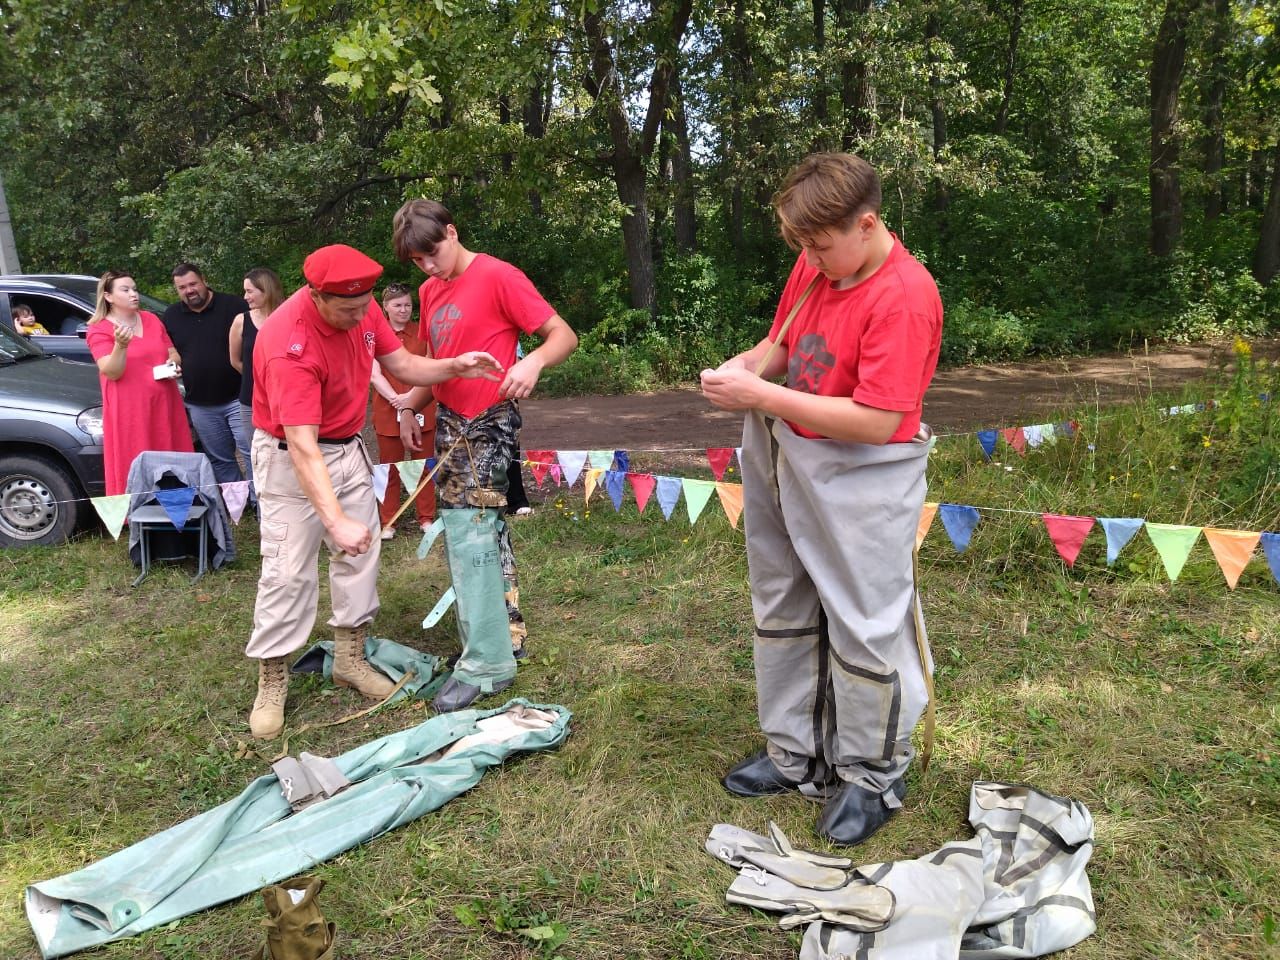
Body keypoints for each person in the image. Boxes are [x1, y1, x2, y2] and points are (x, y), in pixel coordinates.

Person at [700, 152, 943, 847]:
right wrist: (742, 371)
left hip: (864, 473)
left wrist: (763, 394)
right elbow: (780, 346)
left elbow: (880, 420)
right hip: (786, 454)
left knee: (865, 621)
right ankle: (795, 752)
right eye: (801, 245)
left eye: (820, 244)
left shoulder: (904, 295)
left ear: (867, 224)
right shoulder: (817, 261)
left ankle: (871, 774)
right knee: (782, 601)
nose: (809, 258)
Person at [245, 243, 504, 740]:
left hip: (347, 450)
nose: (363, 317)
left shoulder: (361, 311)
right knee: (286, 571)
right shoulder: (288, 343)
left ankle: (349, 658)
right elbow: (301, 446)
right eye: (349, 310)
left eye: (366, 306)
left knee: (360, 557)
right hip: (289, 457)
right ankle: (272, 679)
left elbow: (403, 363)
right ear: (316, 296)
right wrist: (335, 520)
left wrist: (454, 365)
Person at [392, 198, 577, 712]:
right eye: (418, 261)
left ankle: (486, 661)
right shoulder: (430, 291)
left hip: (490, 423)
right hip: (450, 425)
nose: (428, 267)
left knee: (471, 528)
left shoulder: (498, 275)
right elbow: (434, 364)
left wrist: (534, 362)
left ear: (452, 232)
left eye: (433, 253)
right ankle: (503, 630)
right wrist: (410, 406)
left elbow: (563, 334)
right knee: (481, 531)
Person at [85, 272, 194, 496]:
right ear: (108, 296)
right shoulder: (99, 329)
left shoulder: (152, 319)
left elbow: (173, 353)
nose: (134, 294)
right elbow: (111, 371)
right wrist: (121, 346)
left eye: (134, 288)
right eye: (125, 290)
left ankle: (180, 507)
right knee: (138, 456)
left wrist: (172, 366)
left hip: (164, 401)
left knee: (171, 452)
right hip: (130, 410)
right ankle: (143, 512)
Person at [162, 263, 251, 487]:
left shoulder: (234, 306)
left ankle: (259, 501)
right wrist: (171, 364)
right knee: (221, 460)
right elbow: (172, 352)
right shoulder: (171, 316)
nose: (189, 290)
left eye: (193, 284)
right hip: (200, 404)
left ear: (204, 280)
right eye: (182, 287)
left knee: (252, 453)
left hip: (238, 398)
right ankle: (237, 506)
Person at [369, 283, 437, 540]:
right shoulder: (374, 334)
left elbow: (431, 367)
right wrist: (398, 400)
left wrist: (412, 400)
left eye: (408, 305)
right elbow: (373, 373)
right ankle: (389, 521)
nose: (404, 310)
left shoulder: (422, 332)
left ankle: (426, 517)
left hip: (423, 408)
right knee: (390, 468)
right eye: (397, 305)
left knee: (424, 464)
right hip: (388, 411)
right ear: (385, 307)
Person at [229, 266, 284, 493]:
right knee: (258, 457)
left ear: (266, 290)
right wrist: (261, 384)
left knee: (287, 455)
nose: (245, 297)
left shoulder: (288, 316)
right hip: (251, 403)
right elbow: (235, 361)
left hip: (285, 401)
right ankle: (263, 510)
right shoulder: (241, 321)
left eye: (250, 291)